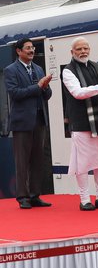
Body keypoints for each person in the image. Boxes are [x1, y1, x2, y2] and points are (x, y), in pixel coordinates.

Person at [62, 37, 98, 211]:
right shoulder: (68, 71)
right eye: (79, 49)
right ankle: (85, 199)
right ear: (72, 52)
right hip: (81, 122)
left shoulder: (97, 66)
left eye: (86, 48)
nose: (83, 51)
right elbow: (77, 92)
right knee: (83, 162)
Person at [4, 38, 53, 209]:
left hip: (39, 120)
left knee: (37, 160)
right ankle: (23, 197)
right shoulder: (11, 70)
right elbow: (15, 93)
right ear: (19, 51)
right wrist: (38, 87)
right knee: (22, 161)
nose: (32, 51)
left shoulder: (39, 69)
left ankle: (34, 195)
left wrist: (45, 87)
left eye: (32, 48)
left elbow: (47, 95)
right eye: (28, 48)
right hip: (22, 122)